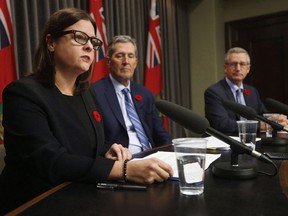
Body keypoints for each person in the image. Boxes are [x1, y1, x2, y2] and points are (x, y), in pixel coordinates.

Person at [0, 8, 173, 214]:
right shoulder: (22, 93)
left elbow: (86, 146)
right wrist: (124, 169)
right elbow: (50, 160)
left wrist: (108, 151)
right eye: (80, 37)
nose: (90, 46)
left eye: (93, 41)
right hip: (34, 202)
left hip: (81, 195)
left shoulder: (86, 94)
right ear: (51, 42)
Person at [91, 35, 172, 154]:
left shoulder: (145, 94)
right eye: (120, 56)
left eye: (130, 56)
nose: (126, 62)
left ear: (136, 62)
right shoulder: (94, 93)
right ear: (108, 61)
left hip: (152, 156)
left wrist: (172, 153)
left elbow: (159, 133)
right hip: (122, 161)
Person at [204, 47, 267, 135]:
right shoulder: (214, 92)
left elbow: (263, 115)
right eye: (233, 64)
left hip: (252, 141)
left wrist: (276, 119)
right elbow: (221, 124)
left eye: (242, 64)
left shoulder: (252, 91)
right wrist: (259, 126)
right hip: (227, 143)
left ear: (248, 69)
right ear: (225, 68)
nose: (238, 68)